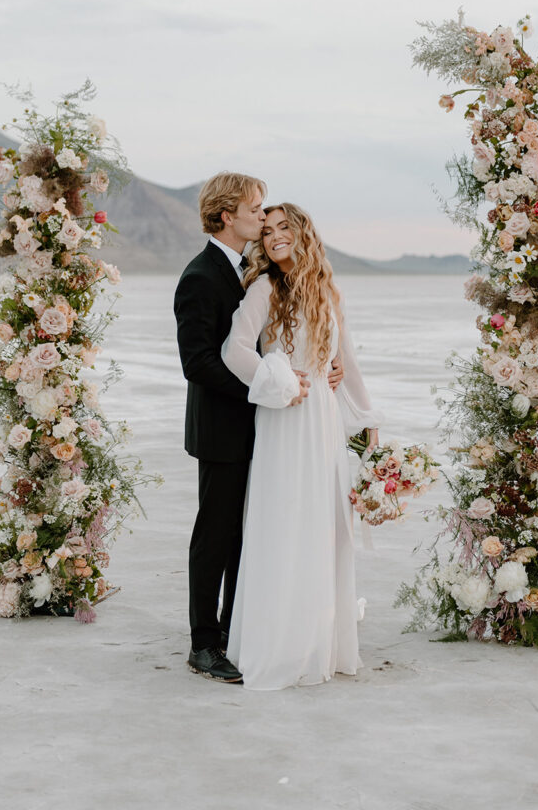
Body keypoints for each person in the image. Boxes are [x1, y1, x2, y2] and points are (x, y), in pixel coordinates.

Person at [174, 175, 344, 684]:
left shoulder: (246, 270)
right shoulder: (201, 276)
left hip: (266, 429)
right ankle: (204, 643)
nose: (260, 216)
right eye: (253, 209)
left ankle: (235, 629)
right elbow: (199, 362)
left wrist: (322, 367)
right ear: (228, 216)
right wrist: (274, 383)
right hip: (224, 429)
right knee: (216, 535)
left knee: (250, 537)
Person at [221, 202, 381, 690]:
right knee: (285, 520)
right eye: (266, 232)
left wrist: (367, 414)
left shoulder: (329, 290)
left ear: (303, 232)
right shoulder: (266, 288)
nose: (273, 238)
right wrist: (281, 380)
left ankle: (318, 640)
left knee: (323, 524)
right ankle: (280, 642)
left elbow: (345, 357)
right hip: (286, 420)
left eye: (283, 228)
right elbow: (234, 351)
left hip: (326, 421)